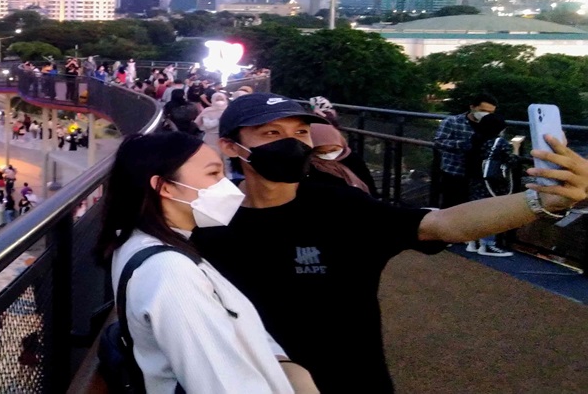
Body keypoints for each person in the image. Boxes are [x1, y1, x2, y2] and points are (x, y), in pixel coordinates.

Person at [192, 92, 588, 393]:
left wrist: (541, 202)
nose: (292, 143)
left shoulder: (342, 206)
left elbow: (443, 224)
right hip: (248, 381)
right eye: (271, 134)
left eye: (300, 132)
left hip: (353, 382)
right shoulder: (207, 216)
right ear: (230, 146)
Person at [94, 132, 316, 394]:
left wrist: (281, 362)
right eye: (213, 174)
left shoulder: (142, 244)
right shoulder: (170, 272)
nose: (227, 185)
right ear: (164, 187)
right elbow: (221, 385)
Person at [433, 93, 498, 208]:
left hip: (480, 175)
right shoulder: (452, 122)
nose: (486, 115)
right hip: (455, 172)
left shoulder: (493, 125)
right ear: (472, 107)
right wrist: (465, 144)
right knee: (451, 207)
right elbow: (439, 142)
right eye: (483, 110)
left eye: (490, 112)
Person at [463, 112, 514, 257]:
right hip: (493, 183)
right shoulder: (500, 143)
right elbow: (511, 161)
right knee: (492, 213)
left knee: (476, 210)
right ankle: (488, 245)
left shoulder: (474, 138)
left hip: (476, 180)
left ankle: (473, 242)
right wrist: (515, 149)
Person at [303, 123, 376, 197]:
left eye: (333, 150)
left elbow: (369, 183)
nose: (329, 155)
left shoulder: (353, 159)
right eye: (320, 152)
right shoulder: (309, 166)